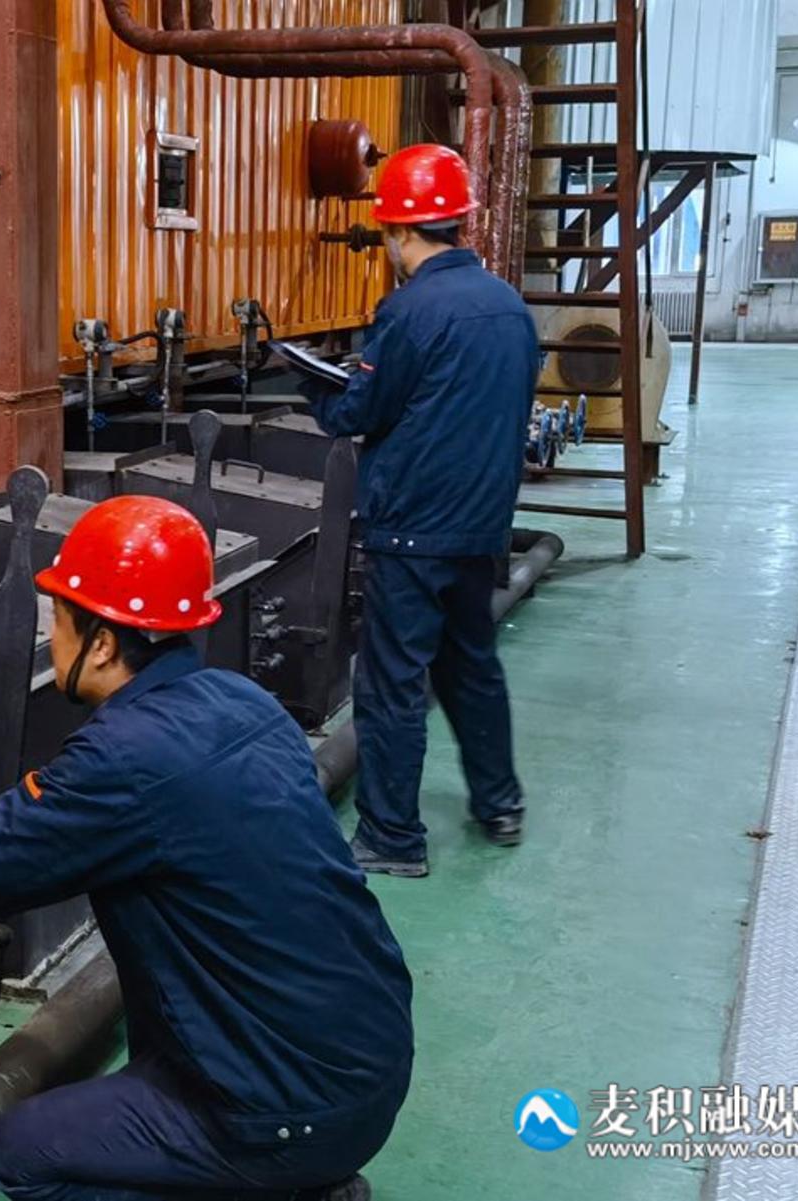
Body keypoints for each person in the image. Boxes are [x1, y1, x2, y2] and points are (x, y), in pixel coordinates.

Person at [0, 494, 413, 1201]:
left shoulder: (127, 758)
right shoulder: (242, 700)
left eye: (59, 619)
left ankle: (285, 1180)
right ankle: (304, 1174)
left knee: (29, 1152)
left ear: (102, 643)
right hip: (371, 1061)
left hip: (291, 1107)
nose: (53, 640)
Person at [302, 143, 540, 879]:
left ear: (401, 231)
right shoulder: (510, 307)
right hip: (482, 525)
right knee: (472, 664)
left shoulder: (409, 311)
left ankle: (392, 838)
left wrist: (316, 386)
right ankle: (499, 804)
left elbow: (359, 411)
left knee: (392, 682)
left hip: (413, 529)